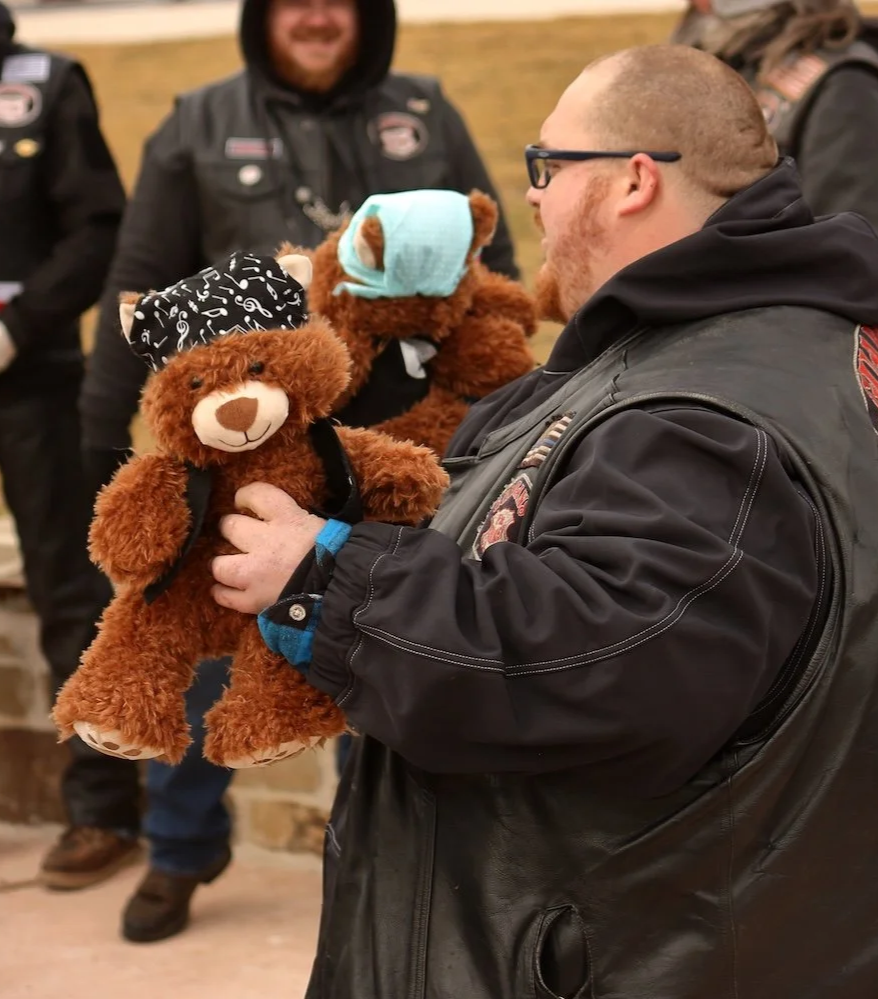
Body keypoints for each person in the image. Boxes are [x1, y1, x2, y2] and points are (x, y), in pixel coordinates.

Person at [209, 43, 878, 998]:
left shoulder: (706, 420)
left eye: (549, 165)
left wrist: (327, 582)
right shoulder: (779, 331)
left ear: (632, 180)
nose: (531, 195)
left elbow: (583, 661)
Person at [80, 0, 519, 945]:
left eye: (339, 0)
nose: (317, 16)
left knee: (408, 642)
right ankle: (179, 846)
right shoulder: (195, 122)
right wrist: (97, 429)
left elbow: (490, 265)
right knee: (202, 632)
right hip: (247, 449)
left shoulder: (424, 112)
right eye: (294, 0)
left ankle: (419, 862)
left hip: (400, 447)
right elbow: (141, 275)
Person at [0, 2, 142, 891]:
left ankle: (102, 807)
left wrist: (17, 325)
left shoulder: (45, 85)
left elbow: (99, 226)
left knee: (66, 585)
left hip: (31, 377)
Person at [671, 0, 878, 349]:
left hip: (798, 359)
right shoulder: (737, 61)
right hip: (725, 344)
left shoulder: (845, 82)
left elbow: (863, 258)